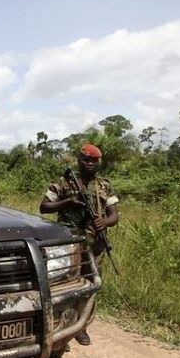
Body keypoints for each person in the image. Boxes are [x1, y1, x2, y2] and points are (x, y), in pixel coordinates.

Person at [39, 144, 119, 346]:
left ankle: (81, 327)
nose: (90, 164)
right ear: (79, 161)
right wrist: (68, 202)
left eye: (94, 161)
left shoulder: (104, 185)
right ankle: (59, 327)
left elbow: (114, 215)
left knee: (91, 283)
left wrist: (105, 222)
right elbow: (44, 207)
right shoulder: (63, 183)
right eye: (86, 160)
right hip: (68, 244)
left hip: (95, 245)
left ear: (99, 163)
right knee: (63, 283)